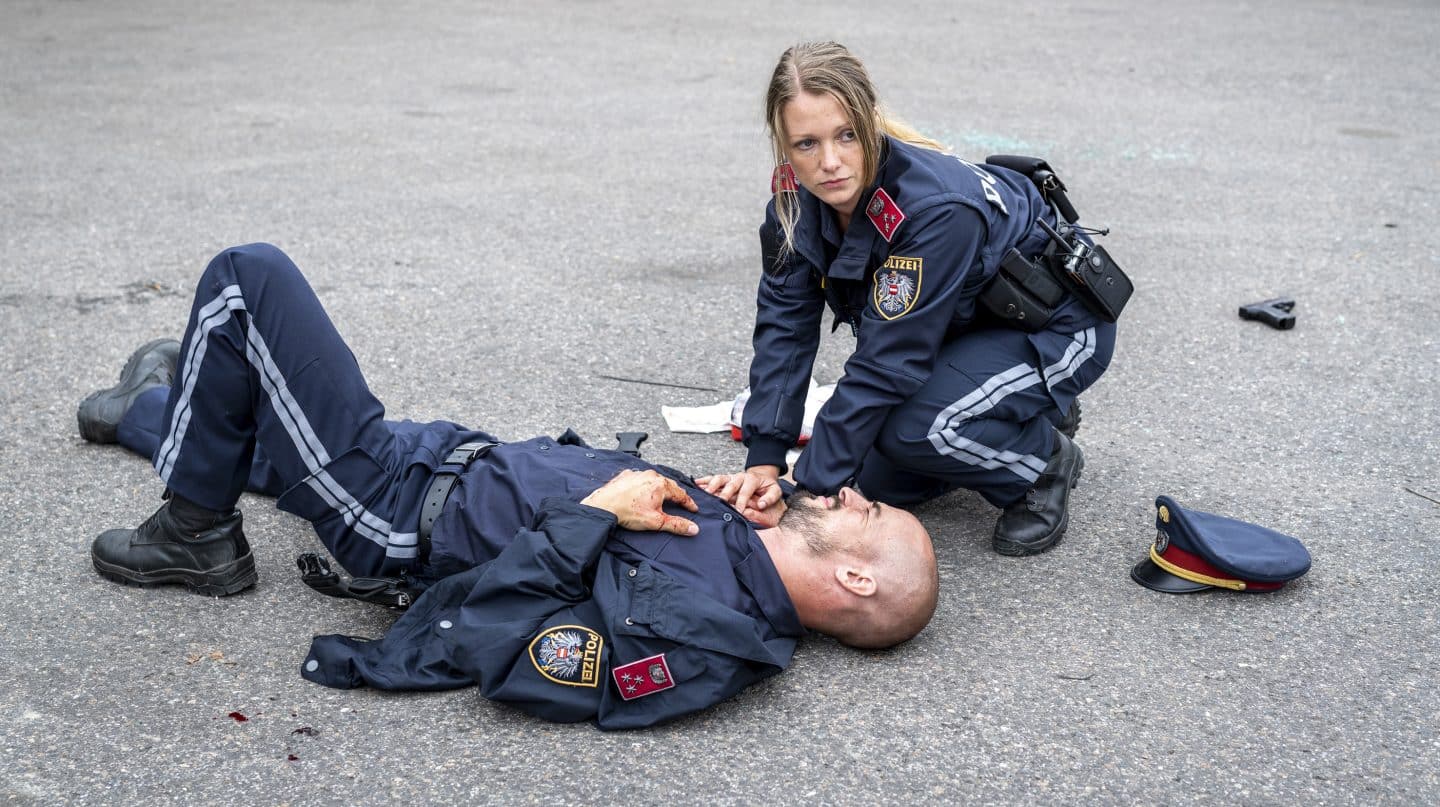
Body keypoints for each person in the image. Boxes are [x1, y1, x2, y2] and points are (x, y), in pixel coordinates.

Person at [78, 242, 938, 730]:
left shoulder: (704, 640)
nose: (856, 494)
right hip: (438, 455)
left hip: (392, 507)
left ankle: (195, 532)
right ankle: (154, 405)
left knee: (247, 279)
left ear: (856, 577)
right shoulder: (747, 549)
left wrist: (598, 511)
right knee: (243, 409)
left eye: (873, 511)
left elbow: (509, 644)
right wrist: (725, 499)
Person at [717, 42, 1118, 557]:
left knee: (917, 429)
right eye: (806, 144)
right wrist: (765, 460)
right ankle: (1008, 413)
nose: (830, 163)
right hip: (965, 328)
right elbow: (785, 329)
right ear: (784, 147)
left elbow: (887, 364)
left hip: (1056, 329)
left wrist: (801, 491)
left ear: (869, 122)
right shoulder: (793, 208)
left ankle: (1042, 463)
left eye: (846, 135)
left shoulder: (934, 209)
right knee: (874, 478)